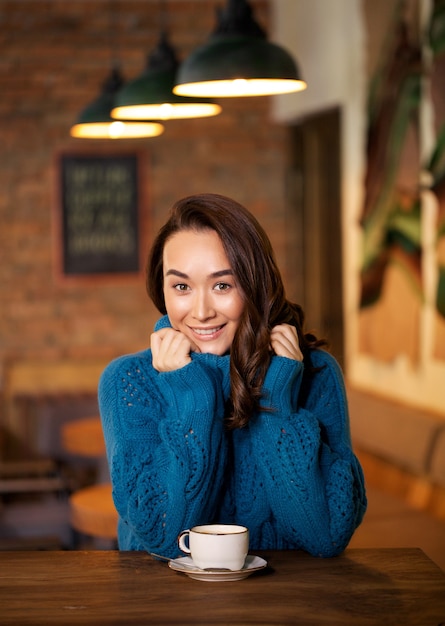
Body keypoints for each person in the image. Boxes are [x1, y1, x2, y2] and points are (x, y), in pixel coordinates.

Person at [99, 193, 367, 559]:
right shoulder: (129, 381)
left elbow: (326, 536)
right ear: (162, 290)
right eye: (181, 287)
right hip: (167, 605)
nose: (202, 311)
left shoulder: (316, 373)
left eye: (222, 285)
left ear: (256, 286)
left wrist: (278, 402)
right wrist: (193, 395)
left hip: (290, 604)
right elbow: (164, 539)